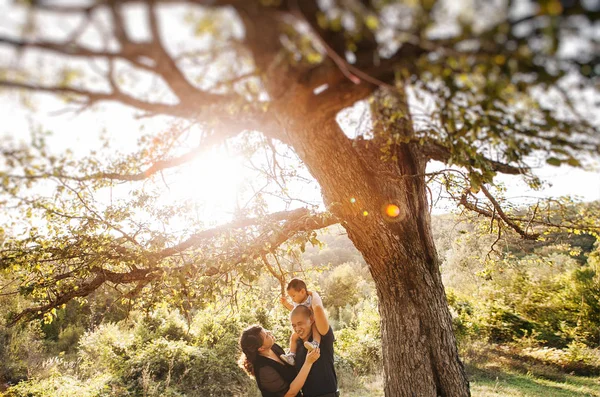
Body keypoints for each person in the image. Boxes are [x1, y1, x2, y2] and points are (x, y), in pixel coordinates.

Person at [239, 325, 321, 397]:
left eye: (266, 330)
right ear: (261, 348)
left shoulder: (273, 347)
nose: (269, 332)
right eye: (267, 335)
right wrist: (308, 362)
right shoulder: (264, 370)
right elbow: (290, 394)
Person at [291, 292, 339, 397]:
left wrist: (313, 294)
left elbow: (317, 308)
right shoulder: (297, 344)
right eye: (294, 325)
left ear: (311, 319)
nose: (297, 329)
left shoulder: (322, 336)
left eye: (300, 323)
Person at [279, 278, 321, 365]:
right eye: (291, 297)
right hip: (304, 326)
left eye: (293, 296)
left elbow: (317, 307)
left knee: (315, 328)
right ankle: (292, 355)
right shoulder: (297, 304)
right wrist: (286, 304)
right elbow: (294, 311)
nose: (293, 299)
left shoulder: (310, 299)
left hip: (313, 321)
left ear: (302, 292)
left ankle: (315, 343)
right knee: (293, 337)